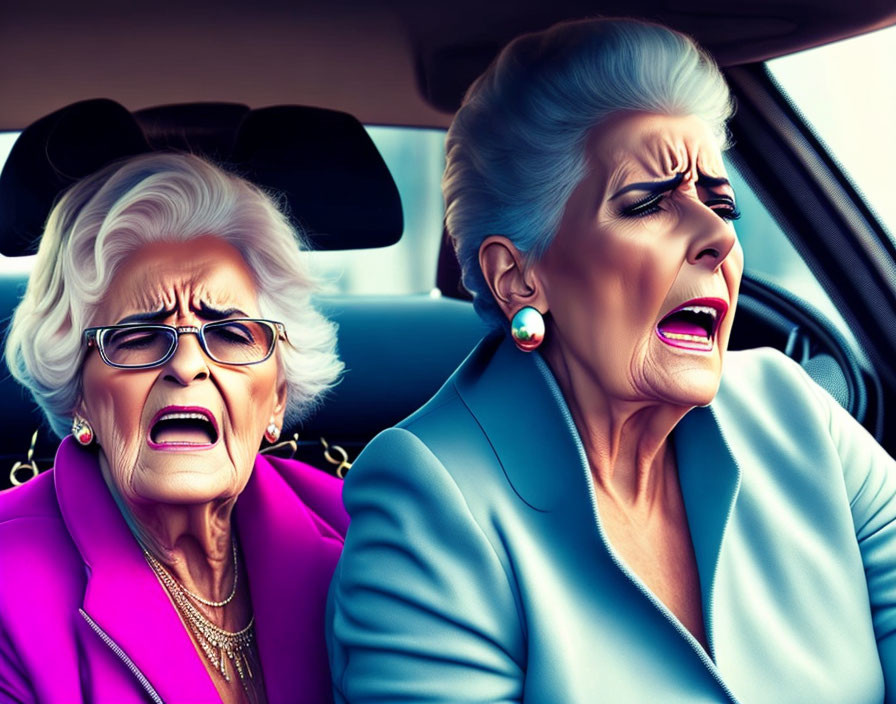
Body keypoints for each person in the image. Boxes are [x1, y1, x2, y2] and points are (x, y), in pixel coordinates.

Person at [327, 18, 896, 703]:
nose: (717, 235)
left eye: (719, 201)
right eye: (649, 203)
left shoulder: (796, 415)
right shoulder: (427, 500)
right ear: (518, 277)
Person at [0, 152, 348, 704]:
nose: (186, 366)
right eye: (137, 338)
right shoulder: (7, 583)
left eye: (232, 334)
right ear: (79, 398)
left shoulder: (364, 535)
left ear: (278, 395)